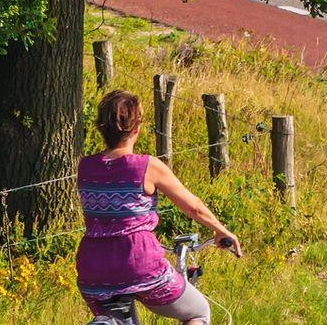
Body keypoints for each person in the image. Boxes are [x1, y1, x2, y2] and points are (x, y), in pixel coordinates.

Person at [76, 90, 242, 325]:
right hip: (138, 260)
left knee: (117, 320)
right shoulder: (147, 166)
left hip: (93, 266)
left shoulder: (86, 167)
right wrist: (220, 229)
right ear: (136, 128)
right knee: (198, 312)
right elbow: (193, 206)